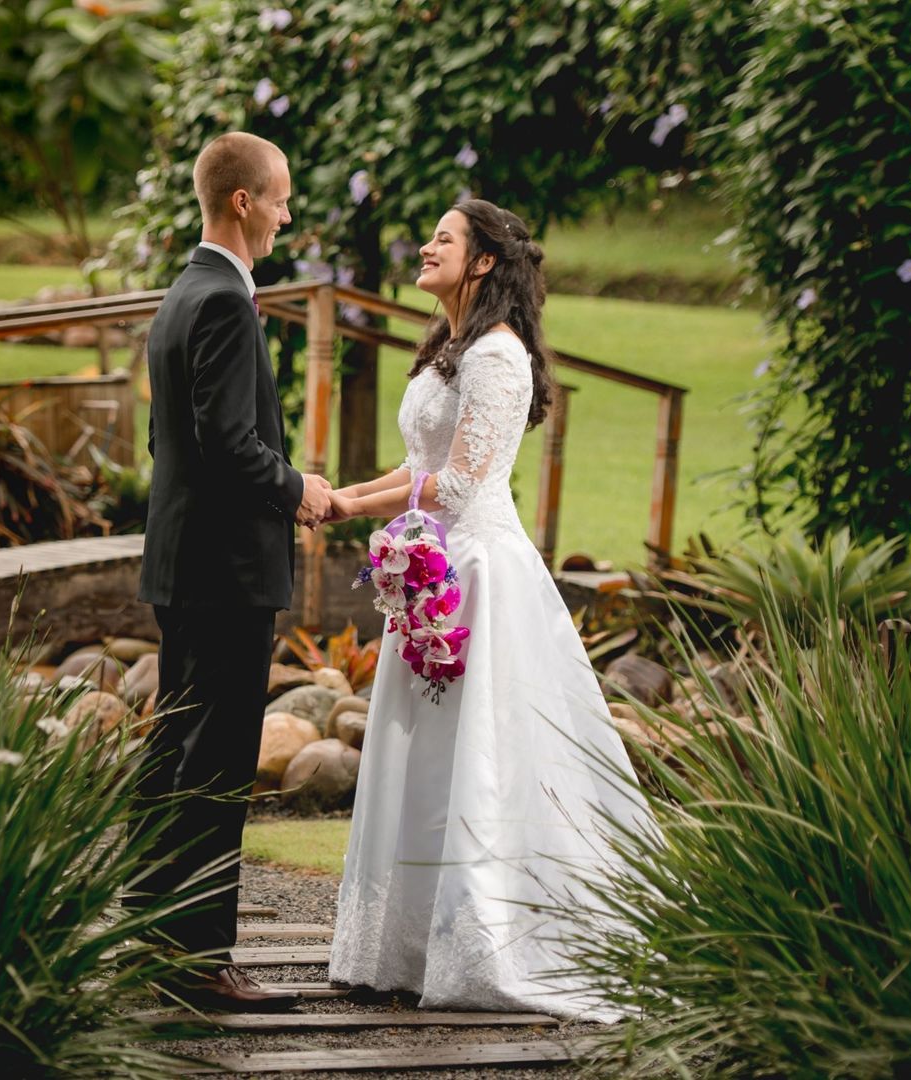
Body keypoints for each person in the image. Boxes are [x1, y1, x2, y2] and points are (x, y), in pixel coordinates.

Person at [320, 199, 655, 1020]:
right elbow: (417, 467)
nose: (427, 246)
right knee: (425, 755)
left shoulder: (498, 358)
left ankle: (489, 937)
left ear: (480, 263)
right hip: (431, 568)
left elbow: (462, 484)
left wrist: (351, 508)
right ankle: (406, 945)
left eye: (444, 238)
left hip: (474, 573)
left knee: (477, 757)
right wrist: (343, 496)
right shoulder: (447, 349)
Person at [132, 132, 332, 1012]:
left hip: (184, 565)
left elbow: (167, 442)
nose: (288, 212)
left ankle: (147, 927)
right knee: (213, 767)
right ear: (242, 202)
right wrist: (299, 489)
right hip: (224, 573)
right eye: (280, 197)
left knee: (172, 752)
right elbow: (225, 444)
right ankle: (200, 959)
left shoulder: (182, 294)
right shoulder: (220, 301)